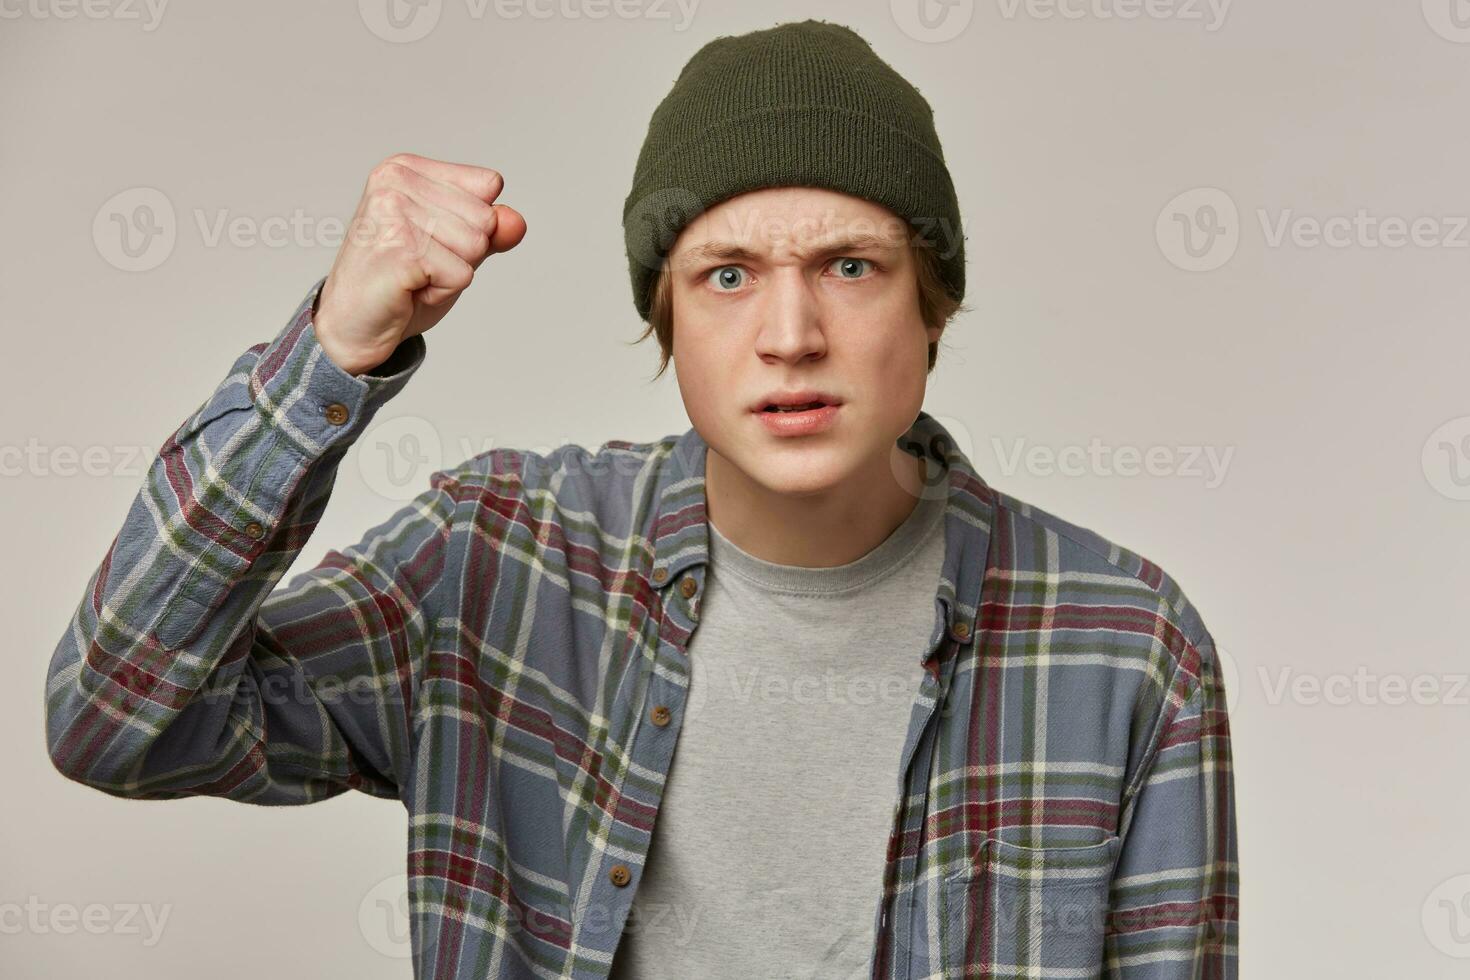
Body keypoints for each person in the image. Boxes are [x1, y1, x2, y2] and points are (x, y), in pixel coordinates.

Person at [44, 18, 1237, 980]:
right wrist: (331, 359)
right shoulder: (500, 561)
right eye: (726, 275)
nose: (790, 335)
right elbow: (116, 717)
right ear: (666, 322)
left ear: (934, 303)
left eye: (852, 267)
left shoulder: (1124, 644)